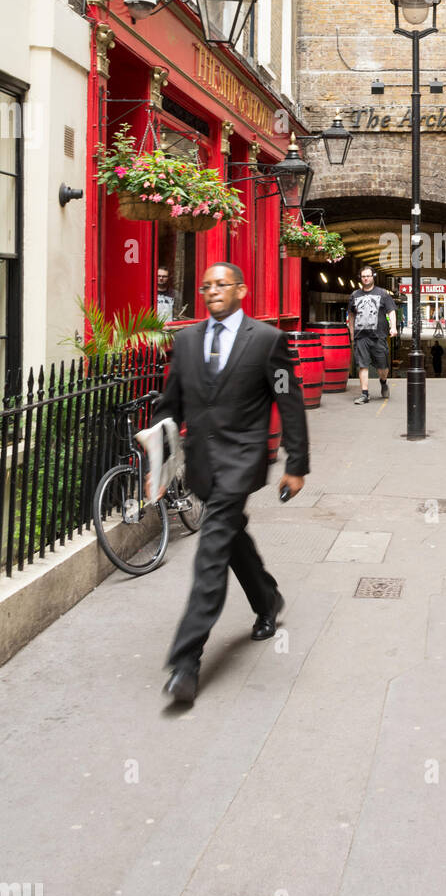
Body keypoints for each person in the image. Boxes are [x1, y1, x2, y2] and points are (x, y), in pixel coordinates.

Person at [152, 262, 309, 705]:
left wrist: (297, 464)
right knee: (230, 536)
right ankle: (267, 599)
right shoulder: (185, 342)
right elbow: (170, 406)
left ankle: (186, 662)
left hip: (241, 462)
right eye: (206, 286)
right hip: (203, 465)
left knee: (210, 555)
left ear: (241, 289)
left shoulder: (266, 341)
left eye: (222, 284)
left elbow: (289, 401)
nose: (212, 291)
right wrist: (156, 448)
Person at [346, 266, 397, 405]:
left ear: (373, 276)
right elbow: (351, 315)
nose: (366, 278)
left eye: (368, 276)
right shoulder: (355, 295)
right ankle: (364, 394)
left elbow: (391, 311)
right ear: (360, 278)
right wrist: (352, 333)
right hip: (361, 336)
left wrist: (393, 327)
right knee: (362, 365)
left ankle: (383, 382)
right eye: (363, 276)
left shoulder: (383, 294)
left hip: (378, 336)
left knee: (382, 367)